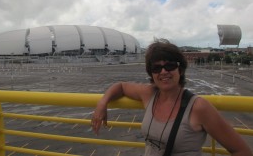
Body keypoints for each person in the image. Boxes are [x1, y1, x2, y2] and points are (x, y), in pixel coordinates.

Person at [91, 39, 252, 156]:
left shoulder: (198, 107)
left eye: (170, 66)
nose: (163, 72)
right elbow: (120, 86)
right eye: (156, 68)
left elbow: (242, 151)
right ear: (151, 73)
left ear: (180, 69)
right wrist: (102, 103)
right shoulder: (149, 94)